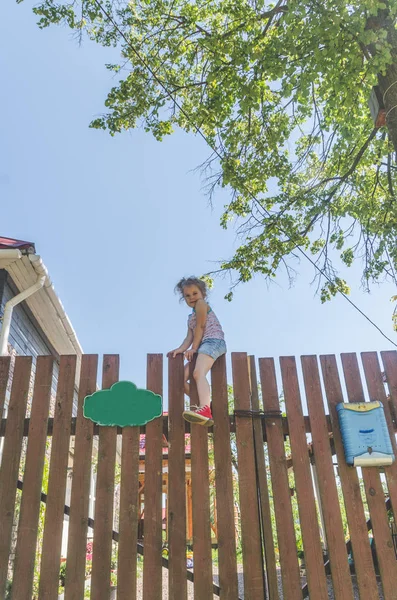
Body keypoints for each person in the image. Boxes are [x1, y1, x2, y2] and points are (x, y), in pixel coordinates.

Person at [167, 276, 226, 426]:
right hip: (202, 346)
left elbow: (200, 327)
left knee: (198, 373)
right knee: (181, 379)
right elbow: (189, 336)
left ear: (202, 294)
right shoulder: (190, 317)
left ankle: (205, 409)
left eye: (195, 293)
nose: (191, 297)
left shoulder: (201, 304)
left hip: (213, 341)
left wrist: (193, 349)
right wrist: (180, 349)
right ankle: (204, 406)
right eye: (187, 295)